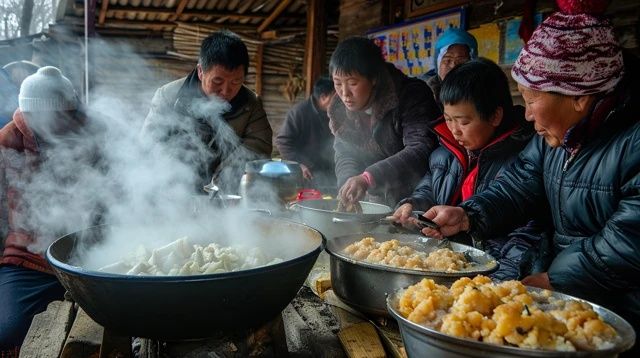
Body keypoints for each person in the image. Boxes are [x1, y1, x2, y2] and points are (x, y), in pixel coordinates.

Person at [420, 1, 640, 351]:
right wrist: (469, 214)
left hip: (621, 313)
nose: (526, 116)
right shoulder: (555, 136)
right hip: (569, 296)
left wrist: (556, 279)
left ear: (579, 97)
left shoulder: (633, 141)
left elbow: (629, 240)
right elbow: (521, 182)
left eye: (531, 99)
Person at [393, 58, 549, 280]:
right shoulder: (446, 152)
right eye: (448, 119)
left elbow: (526, 237)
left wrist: (492, 281)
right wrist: (415, 204)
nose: (454, 130)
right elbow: (430, 186)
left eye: (463, 122)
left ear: (495, 116)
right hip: (448, 264)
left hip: (490, 271)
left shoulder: (523, 158)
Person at [0, 66, 87, 355]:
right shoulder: (7, 142)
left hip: (92, 258)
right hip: (31, 262)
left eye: (66, 116)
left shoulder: (97, 132)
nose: (58, 124)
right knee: (8, 332)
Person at [142, 30, 273, 193]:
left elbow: (259, 146)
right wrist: (178, 169)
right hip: (174, 191)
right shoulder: (169, 97)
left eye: (236, 81)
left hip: (225, 193)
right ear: (201, 71)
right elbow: (150, 144)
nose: (226, 91)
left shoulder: (251, 103)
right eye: (217, 81)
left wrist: (224, 176)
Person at [329, 36, 441, 208]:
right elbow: (345, 152)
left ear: (374, 78)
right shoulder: (340, 110)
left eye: (353, 83)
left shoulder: (410, 95)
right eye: (338, 83)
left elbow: (421, 148)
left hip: (418, 197)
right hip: (376, 200)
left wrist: (368, 178)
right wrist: (348, 185)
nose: (345, 93)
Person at [275, 76, 336, 193]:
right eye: (336, 98)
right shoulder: (299, 112)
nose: (340, 102)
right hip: (307, 175)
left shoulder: (334, 114)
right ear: (323, 97)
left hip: (328, 173)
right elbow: (283, 142)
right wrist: (299, 164)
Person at [418, 28, 478, 109]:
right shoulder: (424, 92)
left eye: (461, 60)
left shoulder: (481, 90)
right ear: (438, 63)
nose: (453, 66)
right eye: (447, 60)